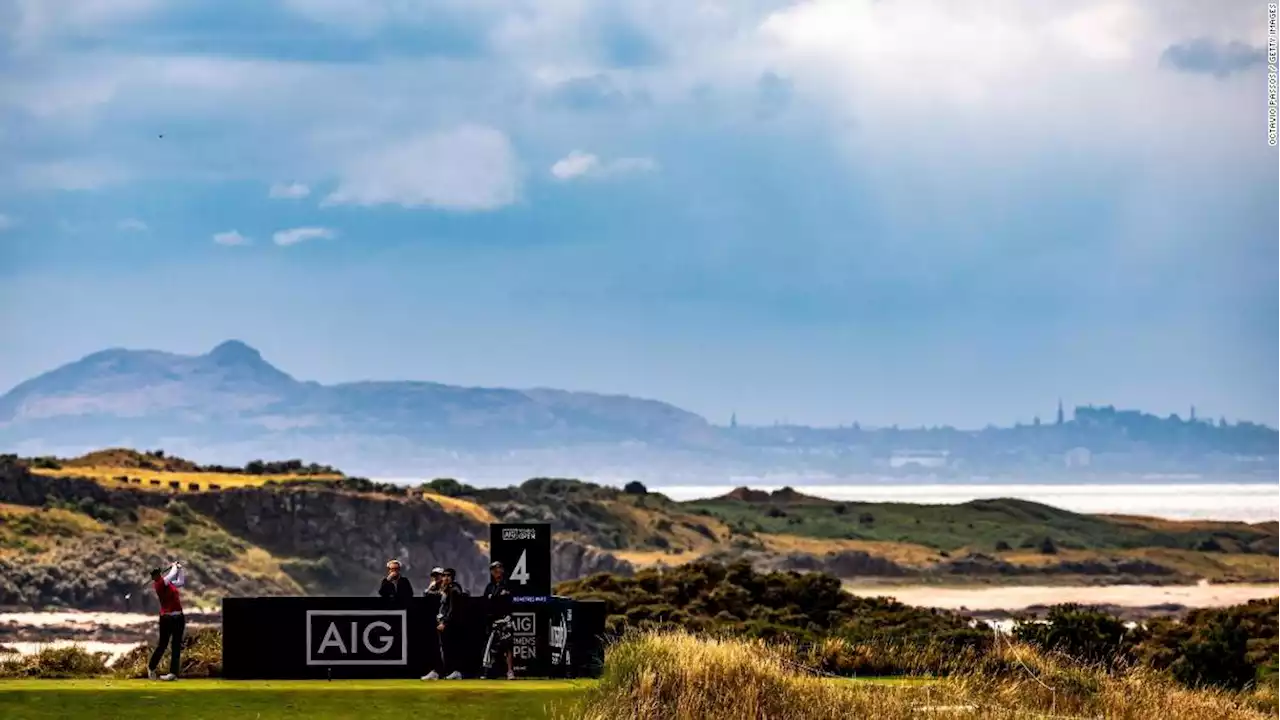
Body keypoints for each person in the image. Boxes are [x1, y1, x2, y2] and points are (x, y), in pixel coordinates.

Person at [147, 561, 186, 681]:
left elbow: (180, 581)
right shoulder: (159, 584)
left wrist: (180, 569)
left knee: (176, 646)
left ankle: (173, 673)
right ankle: (151, 667)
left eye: (159, 573)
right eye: (156, 574)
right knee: (163, 645)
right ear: (154, 577)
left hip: (179, 617)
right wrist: (174, 566)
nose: (158, 575)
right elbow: (171, 574)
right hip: (167, 618)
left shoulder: (169, 584)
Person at [482, 561, 516, 680]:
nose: (496, 572)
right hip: (492, 621)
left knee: (507, 646)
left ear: (502, 570)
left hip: (505, 620)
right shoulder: (489, 587)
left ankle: (510, 671)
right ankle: (488, 672)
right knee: (491, 647)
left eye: (498, 569)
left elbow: (510, 602)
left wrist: (508, 617)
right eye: (494, 570)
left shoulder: (508, 585)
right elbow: (486, 603)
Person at [431, 568, 466, 680]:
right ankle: (446, 671)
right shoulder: (445, 588)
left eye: (448, 576)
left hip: (451, 624)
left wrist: (445, 623)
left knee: (450, 648)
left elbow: (452, 609)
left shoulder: (454, 589)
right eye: (444, 575)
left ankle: (453, 671)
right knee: (445, 648)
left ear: (452, 577)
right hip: (446, 622)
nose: (445, 578)